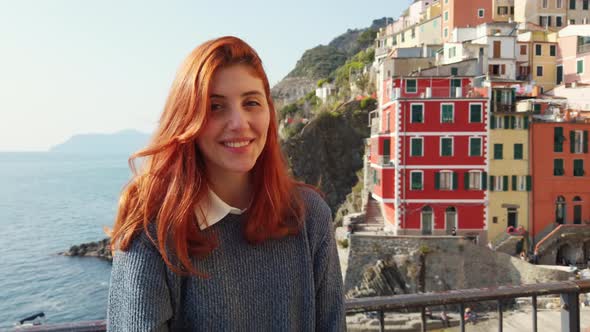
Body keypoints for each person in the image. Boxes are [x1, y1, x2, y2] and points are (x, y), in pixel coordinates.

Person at [106, 36, 345, 331]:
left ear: (269, 112)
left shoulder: (309, 215)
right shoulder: (152, 230)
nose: (239, 122)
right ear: (186, 119)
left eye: (251, 103)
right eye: (215, 107)